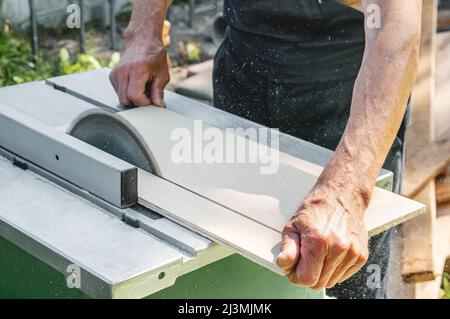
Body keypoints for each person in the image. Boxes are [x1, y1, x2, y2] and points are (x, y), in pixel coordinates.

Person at [109, 0, 421, 298]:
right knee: (237, 263)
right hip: (245, 64)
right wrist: (144, 32)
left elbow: (394, 28)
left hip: (346, 92)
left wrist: (346, 190)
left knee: (331, 265)